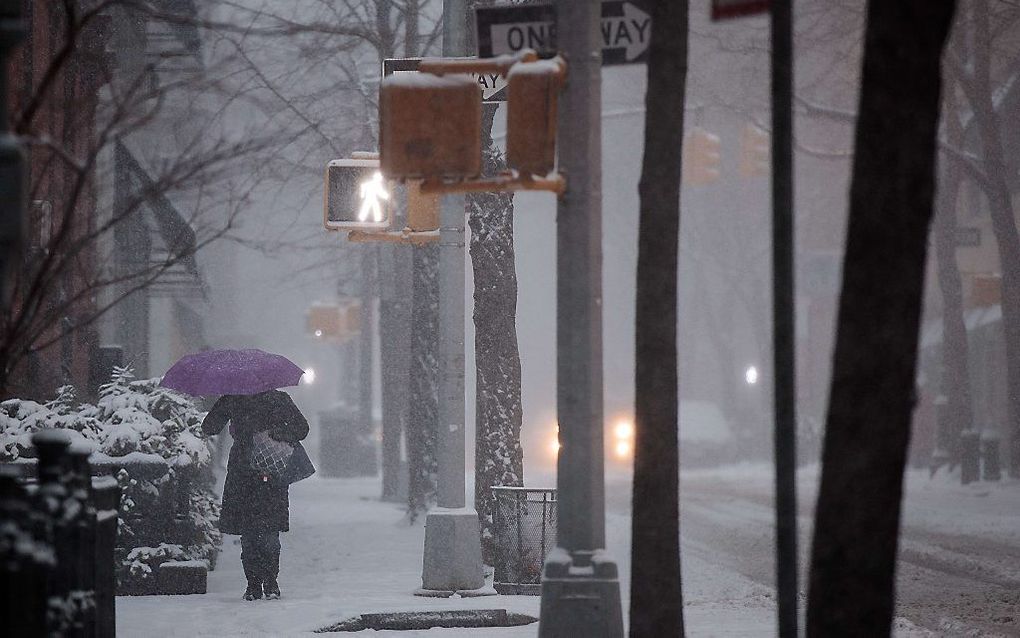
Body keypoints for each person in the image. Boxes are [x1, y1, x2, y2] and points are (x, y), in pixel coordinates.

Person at [202, 389, 309, 601]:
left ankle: (253, 585)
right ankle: (270, 582)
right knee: (270, 529)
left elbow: (209, 427)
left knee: (249, 531)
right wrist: (278, 433)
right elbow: (302, 429)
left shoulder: (233, 397)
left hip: (243, 470)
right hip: (272, 465)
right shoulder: (279, 399)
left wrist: (231, 417)